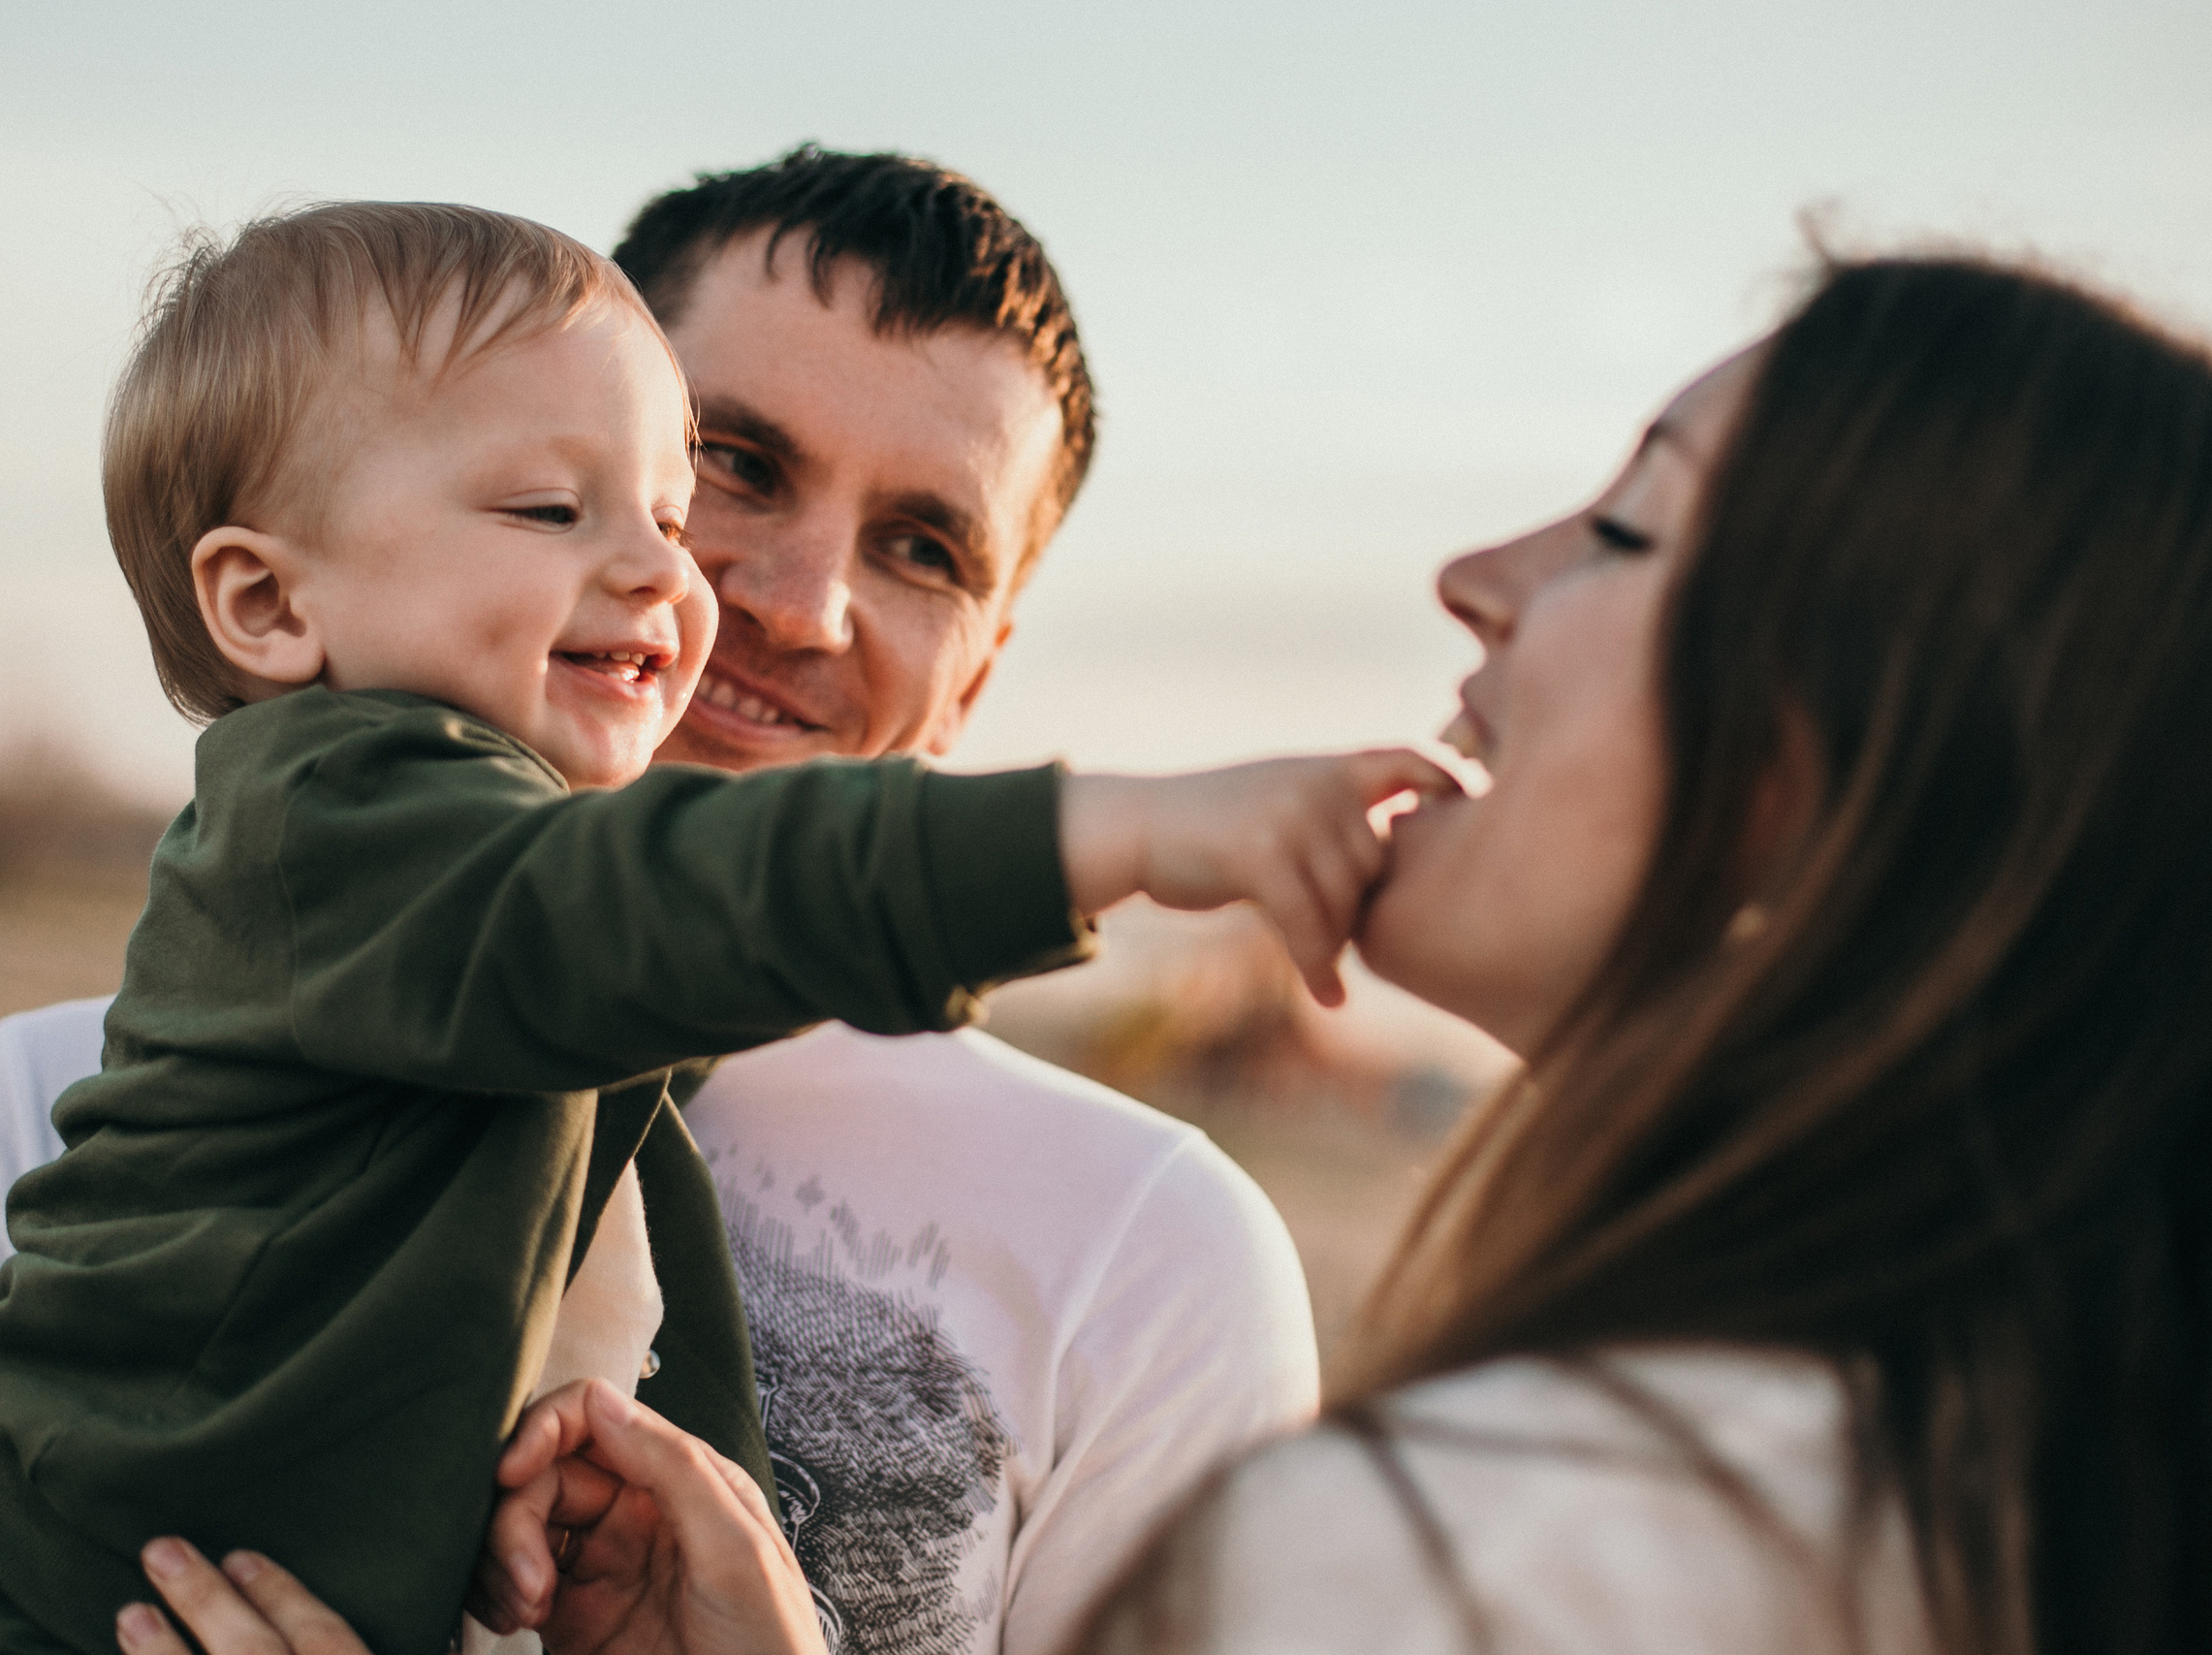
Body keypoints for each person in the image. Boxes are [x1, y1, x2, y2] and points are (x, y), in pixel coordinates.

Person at [165, 250, 2212, 1655]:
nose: (1472, 575)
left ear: (1836, 766)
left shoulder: (1512, 1522)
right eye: (715, 469)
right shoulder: (126, 1096)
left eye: (1624, 529)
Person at [0, 151, 1326, 1655]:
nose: (777, 602)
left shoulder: (1157, 1253)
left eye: (922, 545)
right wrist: (1107, 830)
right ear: (273, 593)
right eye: (734, 469)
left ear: (982, 668)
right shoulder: (42, 1107)